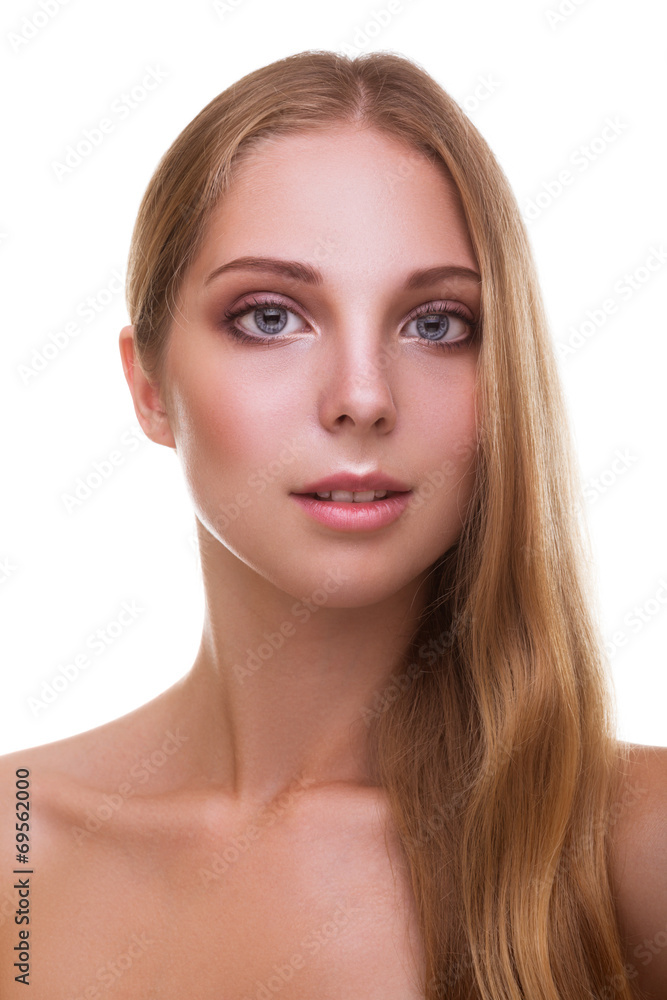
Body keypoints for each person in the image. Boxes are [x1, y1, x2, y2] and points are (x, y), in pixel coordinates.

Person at [1, 49, 665, 1000]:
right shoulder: (18, 840)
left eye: (436, 324)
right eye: (270, 316)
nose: (362, 397)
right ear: (147, 386)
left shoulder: (630, 847)